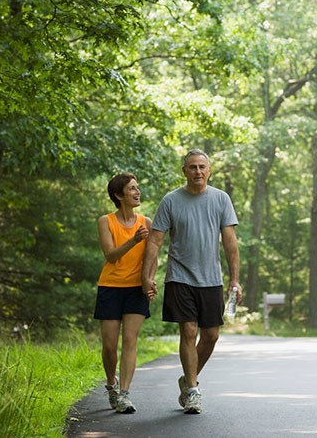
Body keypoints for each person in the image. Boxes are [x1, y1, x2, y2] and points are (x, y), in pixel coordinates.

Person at [142, 149, 241, 415]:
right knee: (188, 330)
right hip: (180, 276)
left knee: (211, 336)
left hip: (210, 279)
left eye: (202, 167)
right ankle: (194, 392)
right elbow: (155, 240)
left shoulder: (221, 199)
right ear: (184, 171)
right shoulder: (171, 201)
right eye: (192, 167)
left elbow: (230, 243)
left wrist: (235, 280)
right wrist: (147, 275)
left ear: (209, 170)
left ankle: (187, 380)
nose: (197, 171)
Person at [94, 173, 156, 414]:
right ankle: (112, 385)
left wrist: (149, 280)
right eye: (132, 189)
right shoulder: (105, 221)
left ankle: (125, 395)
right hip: (110, 287)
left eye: (137, 188)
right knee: (110, 346)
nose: (137, 192)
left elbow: (153, 257)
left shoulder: (147, 222)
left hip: (136, 289)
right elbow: (110, 255)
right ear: (119, 195)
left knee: (130, 340)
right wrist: (133, 240)